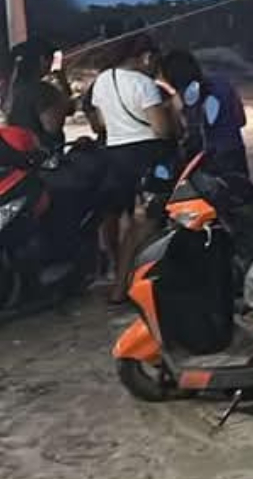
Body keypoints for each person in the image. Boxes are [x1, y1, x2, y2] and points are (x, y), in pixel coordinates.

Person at [87, 34, 179, 303]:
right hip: (148, 157)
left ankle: (120, 279)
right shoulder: (144, 84)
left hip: (116, 155)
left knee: (125, 221)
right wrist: (170, 113)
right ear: (146, 57)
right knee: (147, 223)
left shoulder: (103, 80)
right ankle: (136, 284)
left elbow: (102, 123)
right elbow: (162, 131)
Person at [160, 50, 249, 177]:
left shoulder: (180, 98)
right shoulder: (222, 83)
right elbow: (241, 120)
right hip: (234, 151)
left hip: (204, 159)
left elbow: (181, 134)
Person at [6, 38, 73, 152]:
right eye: (51, 59)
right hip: (43, 158)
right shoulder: (43, 90)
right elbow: (52, 127)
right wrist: (63, 82)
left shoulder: (12, 89)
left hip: (19, 155)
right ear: (42, 60)